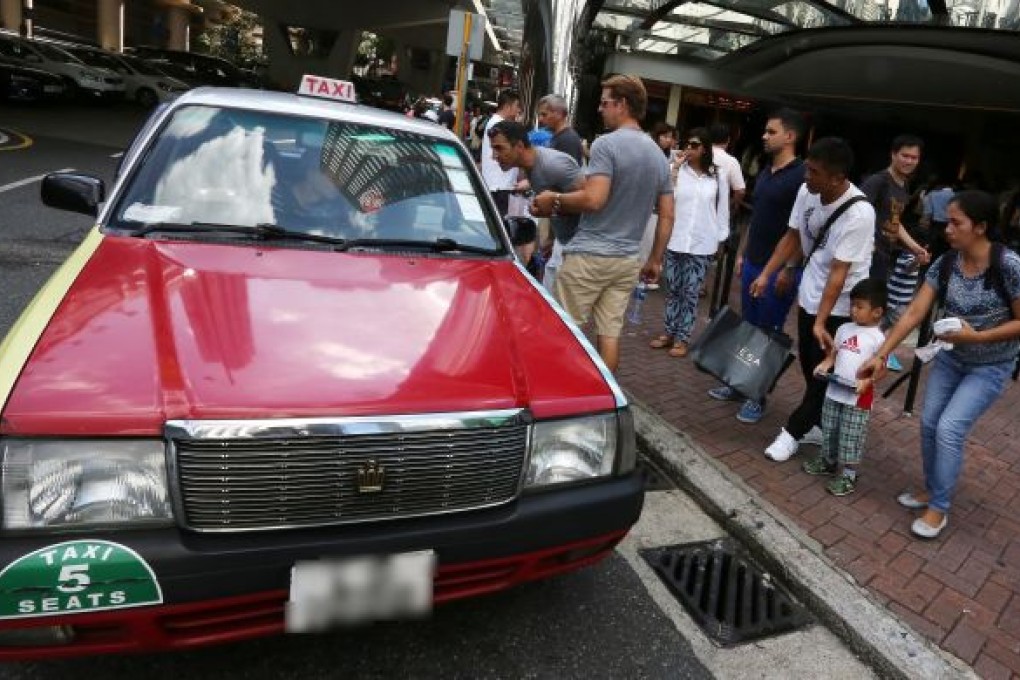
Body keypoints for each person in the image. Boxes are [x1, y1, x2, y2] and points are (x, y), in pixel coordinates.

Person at [858, 190, 1020, 539]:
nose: (947, 229)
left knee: (949, 429)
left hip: (991, 365)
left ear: (980, 227)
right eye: (948, 221)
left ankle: (939, 507)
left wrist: (975, 337)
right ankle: (932, 488)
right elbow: (915, 312)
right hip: (951, 357)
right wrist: (882, 353)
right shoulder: (947, 262)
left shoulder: (1007, 265)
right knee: (930, 423)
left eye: (956, 222)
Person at [530, 74, 675, 373]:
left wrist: (553, 199)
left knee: (562, 330)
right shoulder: (658, 156)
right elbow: (668, 214)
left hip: (590, 256)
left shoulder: (606, 144)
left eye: (605, 103)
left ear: (621, 105)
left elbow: (594, 199)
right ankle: (604, 394)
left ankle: (559, 395)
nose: (600, 109)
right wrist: (655, 260)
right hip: (627, 261)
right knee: (610, 334)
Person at [750, 137, 876, 462]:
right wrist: (766, 274)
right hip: (811, 296)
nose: (806, 176)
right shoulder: (808, 191)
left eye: (814, 171)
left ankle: (792, 433)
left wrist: (822, 321)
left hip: (844, 306)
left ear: (836, 178)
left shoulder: (859, 213)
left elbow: (839, 273)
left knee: (823, 374)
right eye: (807, 168)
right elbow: (792, 236)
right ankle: (819, 424)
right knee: (810, 366)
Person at [709, 108, 807, 425]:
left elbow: (801, 230)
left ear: (790, 136)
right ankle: (740, 385)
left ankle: (758, 397)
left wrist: (789, 268)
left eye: (771, 131)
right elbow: (757, 216)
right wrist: (743, 254)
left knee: (768, 335)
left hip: (778, 271)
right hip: (753, 262)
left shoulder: (802, 177)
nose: (764, 136)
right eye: (765, 131)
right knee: (748, 329)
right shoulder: (766, 172)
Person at [648, 128, 729, 357]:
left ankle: (683, 338)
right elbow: (663, 199)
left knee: (690, 292)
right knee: (673, 289)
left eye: (694, 145)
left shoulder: (717, 175)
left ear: (705, 148)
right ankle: (669, 332)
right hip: (676, 238)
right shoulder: (676, 171)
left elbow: (722, 211)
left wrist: (721, 239)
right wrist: (673, 169)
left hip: (702, 242)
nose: (689, 149)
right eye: (687, 144)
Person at [802, 278, 887, 496]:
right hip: (834, 391)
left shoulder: (879, 339)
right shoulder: (843, 329)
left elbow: (882, 370)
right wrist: (825, 365)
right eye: (852, 305)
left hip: (858, 400)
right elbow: (833, 355)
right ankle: (828, 461)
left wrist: (867, 382)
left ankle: (848, 475)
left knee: (850, 437)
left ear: (877, 312)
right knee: (830, 429)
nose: (853, 310)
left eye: (860, 307)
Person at [487, 121, 582, 279]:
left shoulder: (553, 165)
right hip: (565, 245)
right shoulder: (531, 167)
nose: (494, 156)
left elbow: (590, 201)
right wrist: (553, 237)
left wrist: (554, 205)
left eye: (499, 148)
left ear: (519, 146)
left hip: (581, 251)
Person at [860, 135, 929, 282]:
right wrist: (869, 244)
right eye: (905, 156)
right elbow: (855, 212)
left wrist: (915, 247)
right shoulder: (878, 181)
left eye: (914, 158)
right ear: (893, 154)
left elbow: (894, 220)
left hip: (884, 254)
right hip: (866, 255)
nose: (909, 161)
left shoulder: (905, 185)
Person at [480, 91, 523, 217]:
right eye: (517, 106)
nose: (519, 110)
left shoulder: (495, 122)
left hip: (498, 184)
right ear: (507, 106)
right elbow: (507, 152)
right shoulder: (499, 124)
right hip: (499, 185)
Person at [708, 122, 747, 213]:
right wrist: (731, 204)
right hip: (717, 211)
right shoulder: (731, 161)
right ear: (728, 140)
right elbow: (740, 191)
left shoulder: (699, 155)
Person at [537, 94, 584, 164]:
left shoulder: (568, 140)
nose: (540, 119)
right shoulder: (553, 134)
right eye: (539, 115)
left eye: (544, 114)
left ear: (559, 114)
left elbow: (566, 172)